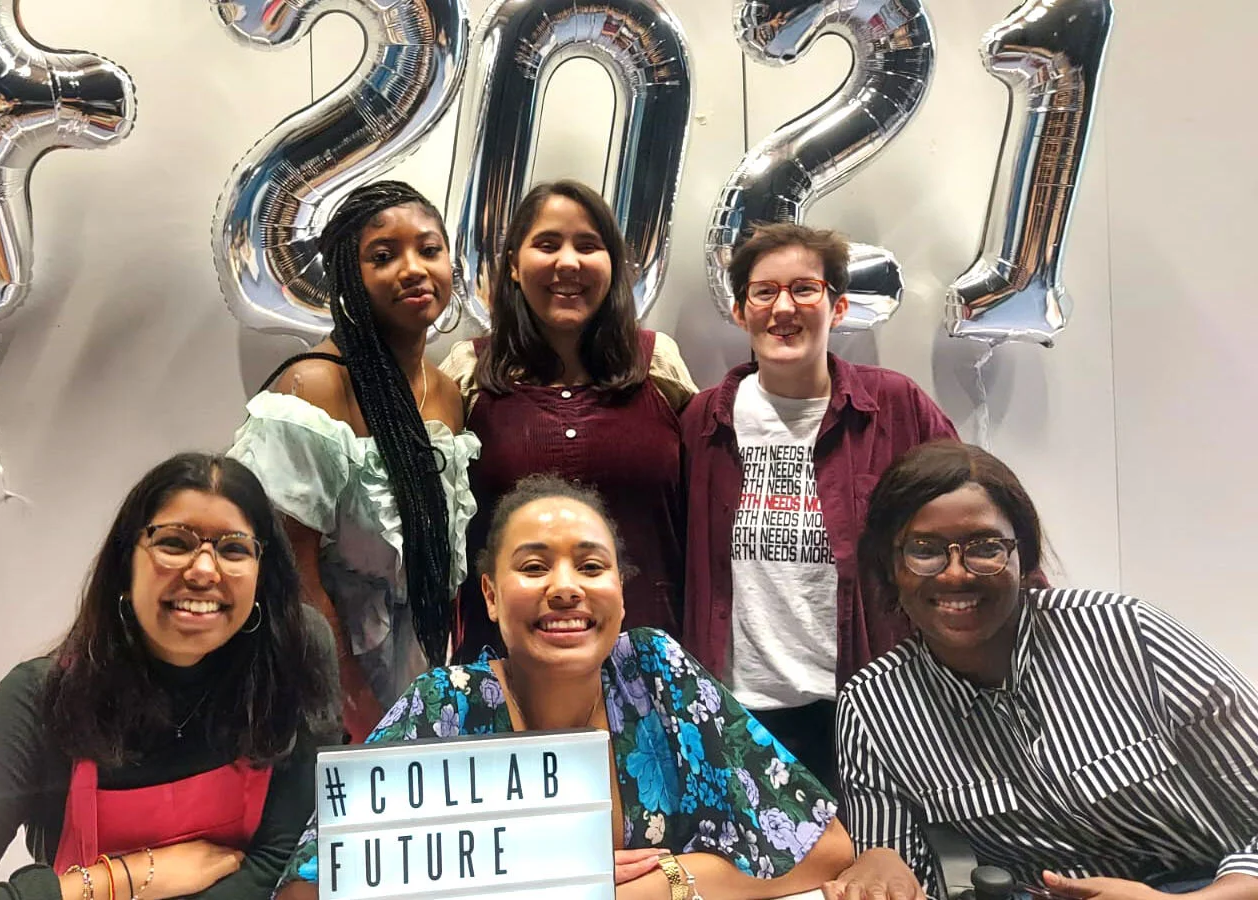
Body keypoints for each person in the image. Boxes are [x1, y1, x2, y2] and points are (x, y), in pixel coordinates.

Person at [276, 474, 866, 900]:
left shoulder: (659, 676)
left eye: (590, 567)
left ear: (620, 590)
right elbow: (305, 889)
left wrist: (661, 885)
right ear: (488, 595)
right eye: (533, 568)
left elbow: (826, 849)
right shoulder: (443, 706)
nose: (566, 588)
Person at [0, 452, 341, 900]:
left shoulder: (294, 656)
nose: (203, 571)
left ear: (262, 575)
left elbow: (287, 857)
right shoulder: (40, 699)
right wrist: (129, 877)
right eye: (174, 543)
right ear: (125, 566)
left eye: (234, 549)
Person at [833, 441, 1258, 900]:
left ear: (1024, 556)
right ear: (891, 565)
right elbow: (896, 874)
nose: (956, 574)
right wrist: (877, 861)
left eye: (985, 547)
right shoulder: (875, 706)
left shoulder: (1127, 633)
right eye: (924, 549)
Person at [680, 222, 958, 787]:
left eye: (805, 288)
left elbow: (975, 514)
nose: (784, 307)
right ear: (740, 312)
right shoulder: (702, 422)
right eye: (765, 292)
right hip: (738, 710)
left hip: (869, 709)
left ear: (837, 307)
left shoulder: (893, 406)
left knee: (870, 868)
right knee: (757, 874)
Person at [230, 181, 479, 742]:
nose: (413, 269)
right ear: (349, 277)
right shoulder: (315, 386)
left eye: (429, 250)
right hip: (318, 686)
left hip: (416, 675)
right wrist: (351, 698)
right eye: (383, 256)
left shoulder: (445, 393)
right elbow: (289, 572)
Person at [441, 179, 696, 662]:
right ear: (513, 266)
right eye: (547, 244)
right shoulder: (467, 374)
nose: (568, 263)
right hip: (507, 667)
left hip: (650, 663)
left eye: (588, 245)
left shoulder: (659, 366)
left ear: (613, 266)